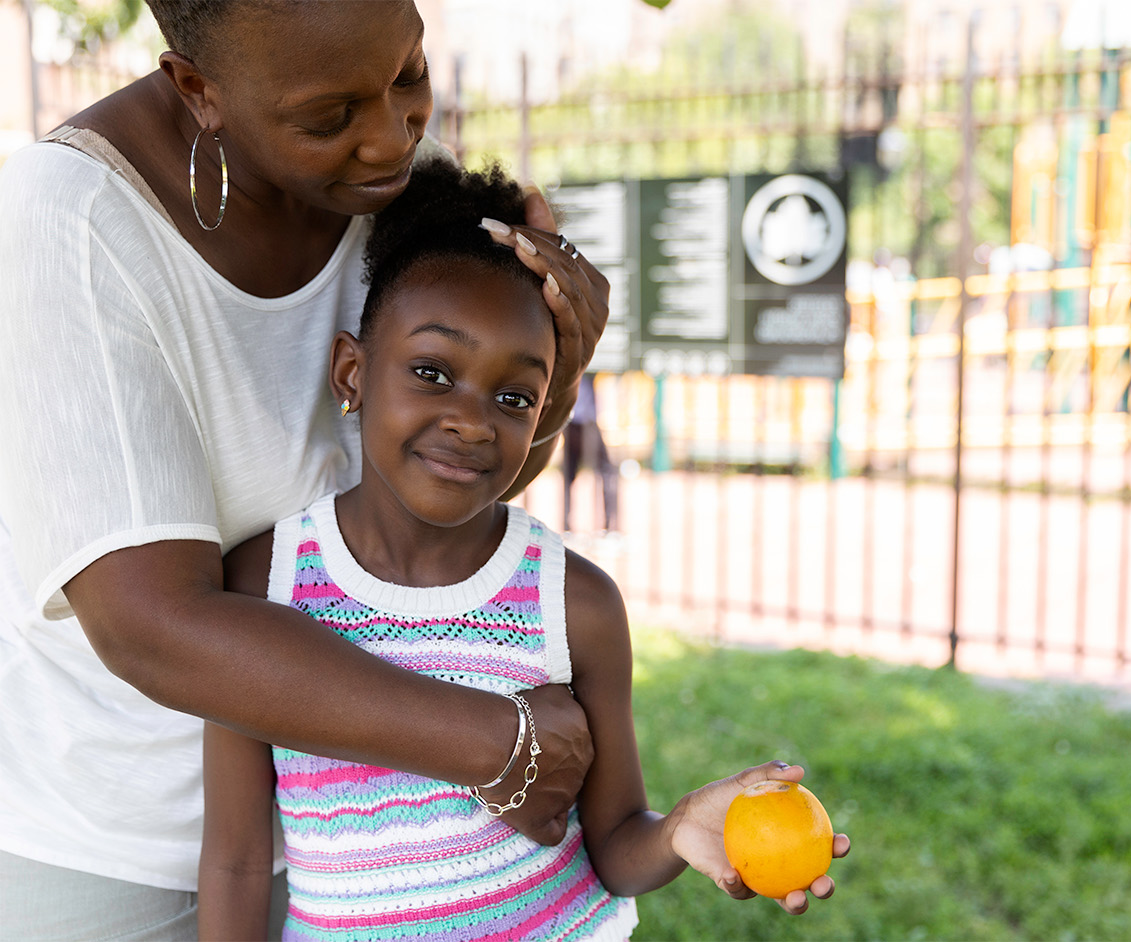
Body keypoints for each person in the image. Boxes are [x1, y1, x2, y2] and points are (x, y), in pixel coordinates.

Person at [0, 2, 623, 936]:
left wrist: (556, 370)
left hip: (380, 848)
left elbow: (440, 504)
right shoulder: (71, 223)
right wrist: (493, 741)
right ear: (197, 89)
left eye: (408, 74)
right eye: (330, 118)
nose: (391, 138)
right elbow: (150, 626)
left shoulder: (390, 188)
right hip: (136, 858)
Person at [198, 159, 847, 940]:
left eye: (513, 397)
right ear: (353, 372)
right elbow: (236, 860)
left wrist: (677, 830)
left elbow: (613, 846)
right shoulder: (262, 584)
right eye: (432, 372)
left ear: (546, 413)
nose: (473, 422)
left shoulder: (574, 603)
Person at [562, 373, 621, 535]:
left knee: (569, 475)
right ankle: (608, 526)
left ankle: (568, 525)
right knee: (605, 472)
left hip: (575, 422)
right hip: (581, 422)